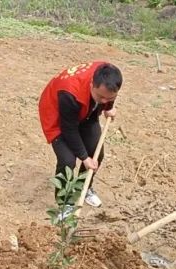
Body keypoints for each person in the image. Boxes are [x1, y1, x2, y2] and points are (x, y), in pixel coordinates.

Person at [39, 61, 122, 210]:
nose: (104, 101)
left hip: (86, 110)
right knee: (67, 161)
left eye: (108, 98)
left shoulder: (108, 75)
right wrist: (84, 157)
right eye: (101, 97)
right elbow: (69, 128)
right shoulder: (69, 92)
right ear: (92, 84)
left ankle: (83, 188)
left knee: (96, 152)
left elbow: (108, 95)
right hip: (59, 117)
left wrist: (108, 107)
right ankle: (64, 203)